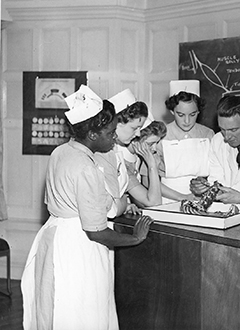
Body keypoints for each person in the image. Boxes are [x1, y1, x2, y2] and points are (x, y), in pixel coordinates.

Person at [21, 85, 154, 330]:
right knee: (83, 312)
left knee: (56, 308)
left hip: (55, 238)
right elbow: (96, 232)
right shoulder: (87, 168)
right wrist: (135, 239)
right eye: (110, 132)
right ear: (93, 134)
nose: (114, 137)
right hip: (79, 248)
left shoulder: (61, 152)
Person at [190, 94, 240, 209]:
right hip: (227, 214)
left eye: (233, 130)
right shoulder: (218, 141)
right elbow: (217, 181)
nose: (227, 137)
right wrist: (204, 188)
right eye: (222, 129)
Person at [95, 89, 162, 217]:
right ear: (117, 123)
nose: (137, 134)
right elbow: (109, 209)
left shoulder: (119, 156)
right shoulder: (102, 154)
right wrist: (124, 203)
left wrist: (152, 165)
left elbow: (154, 202)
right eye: (134, 128)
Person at [157, 80, 215, 203]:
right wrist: (182, 197)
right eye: (181, 115)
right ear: (172, 111)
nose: (187, 121)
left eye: (193, 114)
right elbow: (149, 181)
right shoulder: (161, 135)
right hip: (167, 199)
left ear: (199, 111)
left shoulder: (208, 134)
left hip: (202, 199)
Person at [129, 120, 167, 189]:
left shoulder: (138, 157)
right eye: (150, 144)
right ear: (135, 139)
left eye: (157, 143)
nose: (154, 148)